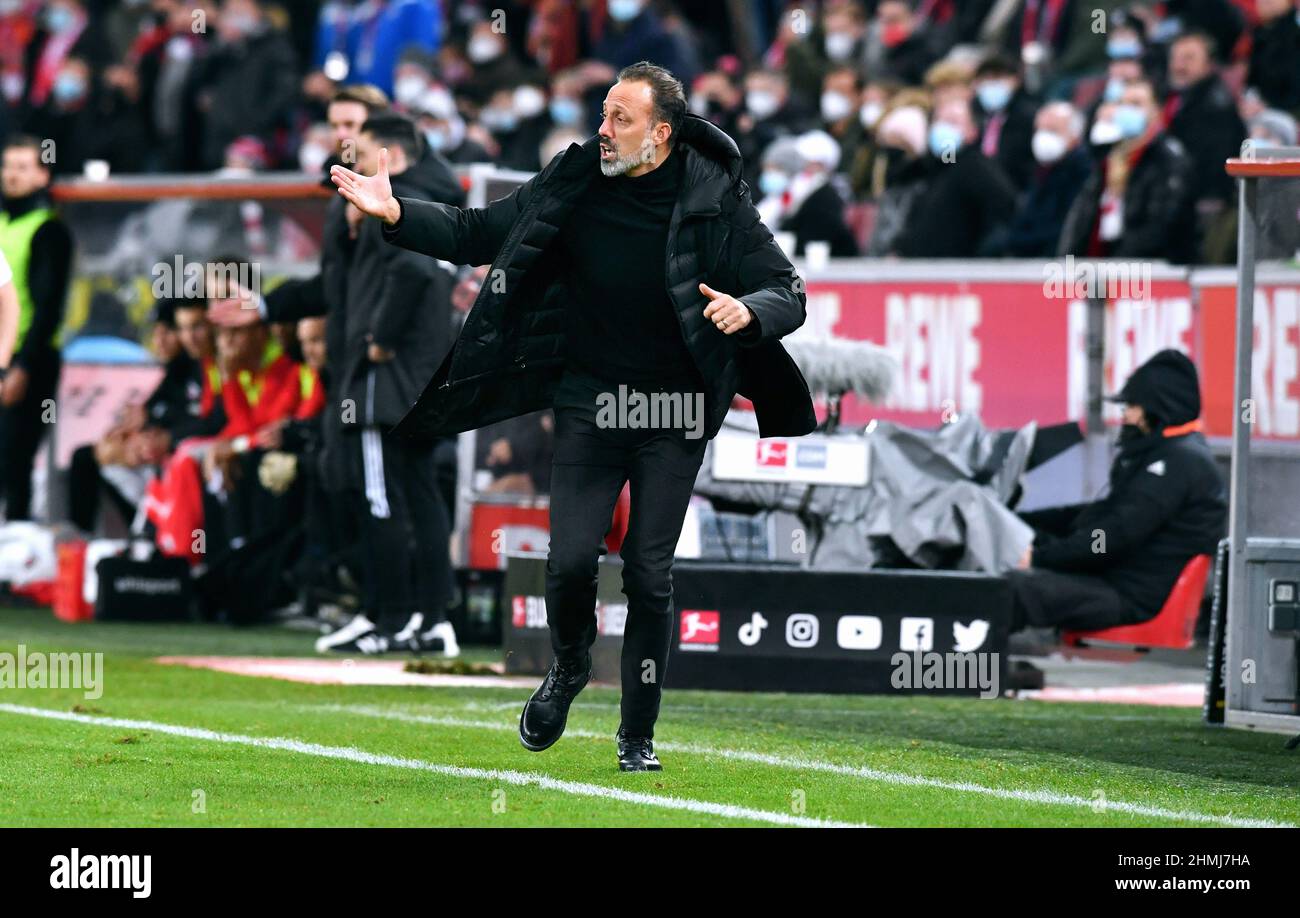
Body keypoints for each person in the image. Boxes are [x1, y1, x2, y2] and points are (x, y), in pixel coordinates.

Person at [332, 61, 814, 772]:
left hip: (674, 407)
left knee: (649, 574)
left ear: (662, 132)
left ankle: (637, 735)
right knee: (566, 565)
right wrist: (398, 212)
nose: (604, 129)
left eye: (621, 118)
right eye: (603, 114)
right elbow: (478, 232)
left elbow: (788, 289)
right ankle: (568, 665)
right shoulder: (576, 175)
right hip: (590, 399)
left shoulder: (716, 193)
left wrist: (748, 312)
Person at [314, 112, 459, 657]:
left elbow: (414, 273)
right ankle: (433, 618)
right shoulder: (436, 204)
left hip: (386, 383)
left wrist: (379, 335)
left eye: (359, 152)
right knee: (421, 496)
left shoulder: (395, 207)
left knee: (381, 496)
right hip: (423, 380)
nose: (349, 163)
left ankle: (392, 616)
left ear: (389, 159)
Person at [1008, 349, 1227, 634]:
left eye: (1132, 407)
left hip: (1128, 596)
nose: (1125, 416)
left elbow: (1110, 538)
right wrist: (1026, 522)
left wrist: (1039, 558)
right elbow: (1099, 515)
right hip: (1111, 580)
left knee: (1011, 589)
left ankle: (971, 674)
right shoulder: (1164, 454)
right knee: (1014, 574)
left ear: (1158, 409)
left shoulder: (1176, 464)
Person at [0, 134, 72, 522]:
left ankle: (13, 552)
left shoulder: (48, 232)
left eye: (22, 168)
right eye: (8, 166)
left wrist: (22, 367)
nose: (11, 175)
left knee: (13, 458)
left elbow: (47, 307)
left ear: (43, 175)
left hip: (27, 358)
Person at [1058, 79, 1197, 263]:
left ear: (1156, 111)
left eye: (1136, 104)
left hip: (1152, 272)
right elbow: (1083, 217)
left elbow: (1161, 228)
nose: (1126, 111)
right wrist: (1068, 261)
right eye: (1123, 104)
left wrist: (1116, 265)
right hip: (1099, 269)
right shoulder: (1109, 158)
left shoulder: (1170, 161)